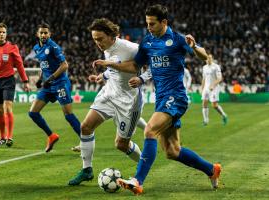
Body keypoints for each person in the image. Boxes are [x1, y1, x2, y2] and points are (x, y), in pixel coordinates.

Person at [93, 4, 222, 195]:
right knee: (172, 151)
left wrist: (194, 46)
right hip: (162, 97)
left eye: (152, 24)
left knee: (150, 130)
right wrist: (110, 64)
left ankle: (138, 181)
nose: (149, 27)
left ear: (164, 22)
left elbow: (204, 56)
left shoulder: (177, 40)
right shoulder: (147, 42)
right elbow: (135, 65)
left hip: (176, 96)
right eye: (147, 24)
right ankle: (212, 170)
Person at [68, 18, 144, 186]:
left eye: (100, 39)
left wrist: (141, 78)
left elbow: (137, 66)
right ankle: (87, 170)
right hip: (109, 94)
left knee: (121, 144)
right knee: (85, 127)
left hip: (128, 101)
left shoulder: (130, 48)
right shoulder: (107, 47)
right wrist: (102, 76)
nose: (98, 43)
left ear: (112, 35)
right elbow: (114, 69)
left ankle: (143, 167)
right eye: (94, 39)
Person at [28, 23, 81, 152]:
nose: (43, 35)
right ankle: (51, 136)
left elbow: (64, 65)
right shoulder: (36, 48)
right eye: (41, 33)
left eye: (46, 33)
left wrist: (50, 78)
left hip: (60, 83)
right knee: (33, 113)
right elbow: (43, 65)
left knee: (68, 115)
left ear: (49, 34)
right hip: (47, 85)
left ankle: (85, 141)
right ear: (37, 34)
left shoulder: (53, 46)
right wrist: (41, 80)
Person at [201, 54, 228, 126]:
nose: (208, 59)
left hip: (214, 88)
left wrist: (213, 85)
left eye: (209, 58)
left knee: (214, 105)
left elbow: (220, 78)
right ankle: (206, 120)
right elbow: (203, 79)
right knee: (204, 103)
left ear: (212, 59)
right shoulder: (204, 67)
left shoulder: (216, 67)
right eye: (207, 58)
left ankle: (224, 115)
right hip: (206, 88)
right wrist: (202, 88)